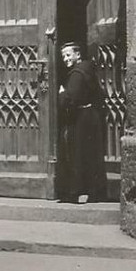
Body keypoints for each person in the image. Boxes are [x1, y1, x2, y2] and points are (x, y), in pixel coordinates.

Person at [58, 42, 108, 203]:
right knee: (92, 155)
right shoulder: (87, 70)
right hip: (91, 116)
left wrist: (61, 94)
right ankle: (96, 192)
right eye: (63, 56)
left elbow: (69, 100)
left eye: (68, 55)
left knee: (76, 155)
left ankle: (74, 192)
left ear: (77, 55)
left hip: (80, 119)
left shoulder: (77, 74)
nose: (65, 59)